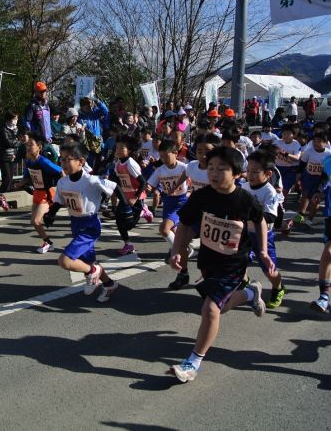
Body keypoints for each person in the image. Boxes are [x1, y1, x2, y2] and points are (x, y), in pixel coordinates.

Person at [168, 147, 272, 383]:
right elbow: (184, 223)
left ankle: (192, 363)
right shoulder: (202, 196)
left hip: (234, 263)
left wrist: (263, 251)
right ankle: (250, 293)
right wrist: (176, 250)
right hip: (208, 261)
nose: (214, 173)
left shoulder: (245, 199)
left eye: (221, 169)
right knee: (220, 307)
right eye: (211, 168)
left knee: (210, 309)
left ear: (236, 173)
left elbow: (260, 221)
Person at [43, 142, 120, 302]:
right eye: (62, 159)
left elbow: (114, 186)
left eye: (68, 159)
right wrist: (50, 214)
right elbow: (58, 201)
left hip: (90, 225)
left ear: (81, 161)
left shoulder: (91, 180)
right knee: (88, 260)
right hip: (75, 224)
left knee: (64, 261)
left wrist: (125, 207)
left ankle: (92, 272)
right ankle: (109, 284)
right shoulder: (62, 182)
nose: (64, 163)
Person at [146, 139, 193, 289]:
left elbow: (193, 183)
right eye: (161, 156)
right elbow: (150, 183)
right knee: (174, 232)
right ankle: (183, 252)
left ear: (175, 153)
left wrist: (190, 193)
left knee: (164, 229)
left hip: (181, 202)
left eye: (166, 156)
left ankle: (180, 249)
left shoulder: (184, 167)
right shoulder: (160, 170)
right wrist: (147, 188)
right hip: (168, 203)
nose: (163, 159)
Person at [242, 150, 286, 308]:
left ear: (268, 174)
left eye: (255, 172)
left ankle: (278, 288)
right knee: (239, 262)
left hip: (262, 235)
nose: (250, 175)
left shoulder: (269, 191)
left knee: (269, 269)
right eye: (248, 170)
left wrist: (248, 215)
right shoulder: (244, 187)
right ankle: (246, 287)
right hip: (244, 233)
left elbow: (270, 216)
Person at [13, 132, 63, 253]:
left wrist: (66, 186)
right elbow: (27, 178)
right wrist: (18, 184)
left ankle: (48, 242)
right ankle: (48, 241)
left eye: (31, 145)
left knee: (35, 221)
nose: (28, 147)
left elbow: (61, 171)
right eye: (27, 145)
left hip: (46, 194)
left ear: (39, 147)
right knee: (34, 222)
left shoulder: (43, 161)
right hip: (36, 193)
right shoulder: (29, 162)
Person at [110, 134, 151, 255]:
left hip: (136, 197)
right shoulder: (118, 164)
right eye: (117, 148)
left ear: (129, 150)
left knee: (129, 224)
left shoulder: (130, 164)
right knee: (119, 220)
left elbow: (143, 182)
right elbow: (117, 181)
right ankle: (128, 244)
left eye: (121, 148)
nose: (118, 150)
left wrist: (135, 197)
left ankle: (143, 211)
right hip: (125, 197)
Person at [291, 132, 331, 226]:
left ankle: (310, 218)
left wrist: (321, 186)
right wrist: (299, 173)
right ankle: (301, 214)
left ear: (326, 143)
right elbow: (303, 163)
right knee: (305, 195)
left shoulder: (328, 154)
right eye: (314, 141)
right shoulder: (309, 151)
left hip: (322, 178)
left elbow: (326, 174)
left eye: (319, 141)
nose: (316, 143)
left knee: (316, 198)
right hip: (309, 176)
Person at [310, 155, 331, 313]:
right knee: (328, 253)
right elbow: (324, 178)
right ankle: (324, 296)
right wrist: (318, 191)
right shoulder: (329, 160)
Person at [274, 124, 302, 200]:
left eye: (288, 134)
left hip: (291, 169)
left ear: (293, 135)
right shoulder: (277, 142)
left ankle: (281, 203)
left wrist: (285, 154)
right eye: (284, 134)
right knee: (277, 188)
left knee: (285, 189)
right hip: (278, 168)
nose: (285, 136)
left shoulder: (296, 144)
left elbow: (297, 158)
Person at [0, 111, 21, 193]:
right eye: (14, 119)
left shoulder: (15, 128)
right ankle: (3, 194)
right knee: (6, 177)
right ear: (9, 119)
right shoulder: (3, 129)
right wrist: (18, 142)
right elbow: (8, 142)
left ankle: (8, 193)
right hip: (4, 156)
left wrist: (17, 141)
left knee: (11, 177)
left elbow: (19, 139)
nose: (16, 120)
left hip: (13, 155)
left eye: (17, 118)